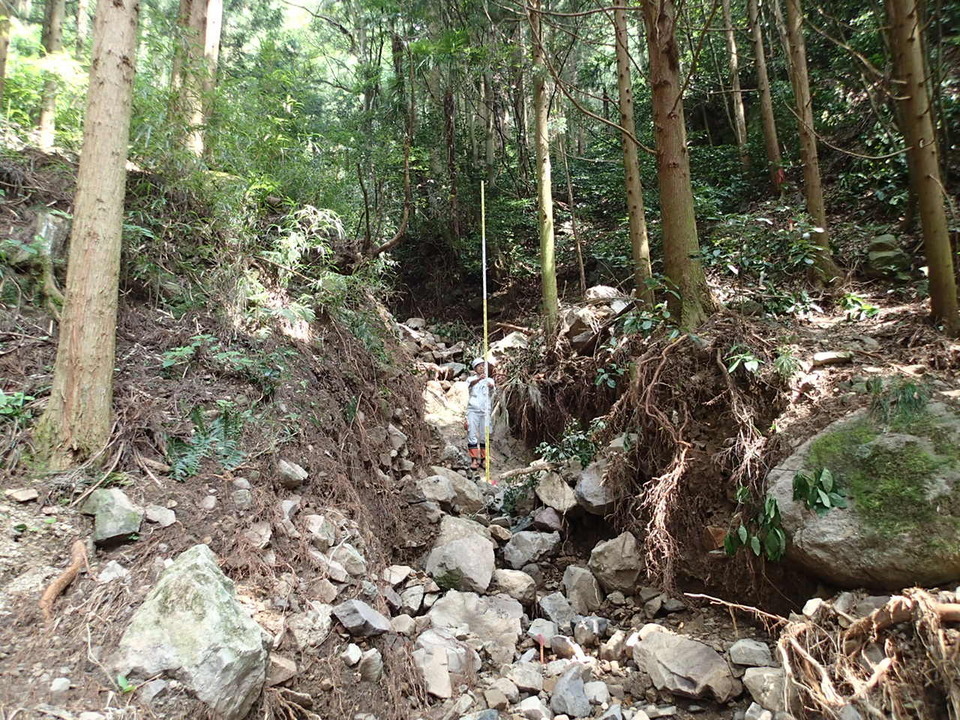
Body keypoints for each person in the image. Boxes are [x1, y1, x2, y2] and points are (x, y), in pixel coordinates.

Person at [465, 356, 496, 471]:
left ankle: (484, 459)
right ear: (475, 369)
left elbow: (493, 392)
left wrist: (491, 386)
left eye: (483, 366)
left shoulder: (490, 380)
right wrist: (479, 379)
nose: (481, 368)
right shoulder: (470, 379)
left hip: (485, 411)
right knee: (472, 434)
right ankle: (474, 459)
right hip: (473, 410)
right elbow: (469, 385)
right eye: (479, 366)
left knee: (484, 435)